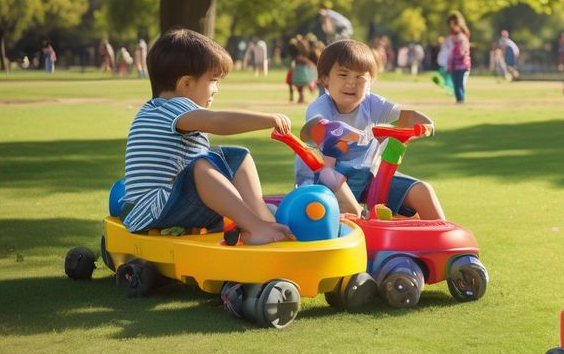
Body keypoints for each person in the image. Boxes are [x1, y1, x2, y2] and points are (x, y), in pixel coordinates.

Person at [121, 29, 294, 245]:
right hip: (156, 211)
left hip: (171, 204)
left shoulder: (156, 109)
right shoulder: (174, 108)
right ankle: (256, 225)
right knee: (200, 167)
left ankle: (263, 220)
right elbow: (218, 122)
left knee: (236, 156)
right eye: (213, 80)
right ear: (186, 84)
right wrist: (268, 119)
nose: (216, 89)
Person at [294, 39, 445, 220]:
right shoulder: (321, 107)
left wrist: (426, 126)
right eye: (343, 75)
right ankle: (356, 223)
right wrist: (344, 133)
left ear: (370, 82)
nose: (351, 83)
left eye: (360, 77)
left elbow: (407, 116)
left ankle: (441, 240)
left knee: (422, 191)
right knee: (353, 211)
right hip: (326, 179)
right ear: (325, 79)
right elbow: (315, 128)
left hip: (366, 178)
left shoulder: (371, 103)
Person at [446, 12, 472, 104]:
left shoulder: (462, 36)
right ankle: (459, 100)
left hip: (462, 64)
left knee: (460, 83)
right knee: (455, 84)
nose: (452, 26)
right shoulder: (451, 38)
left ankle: (461, 100)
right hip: (453, 64)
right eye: (451, 24)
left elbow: (464, 50)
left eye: (454, 24)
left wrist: (460, 52)